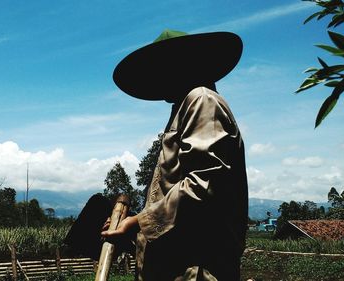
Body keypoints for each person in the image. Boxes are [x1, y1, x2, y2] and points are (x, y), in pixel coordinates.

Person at [101, 29, 249, 281]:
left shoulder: (201, 99)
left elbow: (203, 185)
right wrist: (134, 227)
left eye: (161, 69)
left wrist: (137, 221)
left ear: (181, 66)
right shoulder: (182, 108)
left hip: (195, 271)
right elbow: (174, 196)